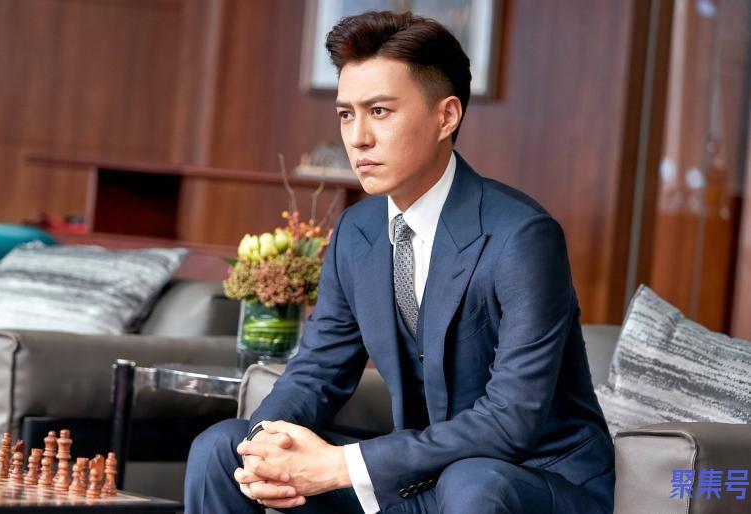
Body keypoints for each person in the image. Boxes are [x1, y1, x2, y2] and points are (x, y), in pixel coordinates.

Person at [185, 10, 614, 514]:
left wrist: (343, 466)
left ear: (446, 117)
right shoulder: (358, 231)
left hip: (531, 478)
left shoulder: (522, 236)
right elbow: (318, 369)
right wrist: (265, 447)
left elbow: (511, 419)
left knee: (472, 484)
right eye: (346, 114)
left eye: (380, 111)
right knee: (223, 448)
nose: (358, 138)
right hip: (417, 477)